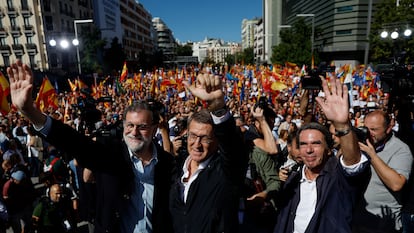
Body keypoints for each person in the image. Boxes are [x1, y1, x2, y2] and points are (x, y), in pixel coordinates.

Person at [7, 60, 176, 233]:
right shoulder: (110, 154)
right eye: (130, 126)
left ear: (154, 129)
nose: (134, 132)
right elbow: (74, 142)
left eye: (142, 127)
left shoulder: (169, 164)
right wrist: (29, 111)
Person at [274, 77, 369, 233]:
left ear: (328, 149)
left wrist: (342, 125)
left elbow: (353, 163)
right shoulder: (293, 178)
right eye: (303, 144)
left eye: (316, 143)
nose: (309, 150)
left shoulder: (338, 178)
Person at [169, 73, 248, 233]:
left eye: (205, 138)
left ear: (217, 141)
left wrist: (217, 107)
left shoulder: (225, 171)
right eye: (193, 136)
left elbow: (234, 150)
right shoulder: (176, 167)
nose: (196, 144)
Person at [352, 110, 413, 233]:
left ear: (388, 129)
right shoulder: (362, 143)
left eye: (374, 129)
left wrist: (372, 156)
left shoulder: (400, 149)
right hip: (356, 220)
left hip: (382, 223)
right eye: (366, 128)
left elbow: (397, 184)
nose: (369, 133)